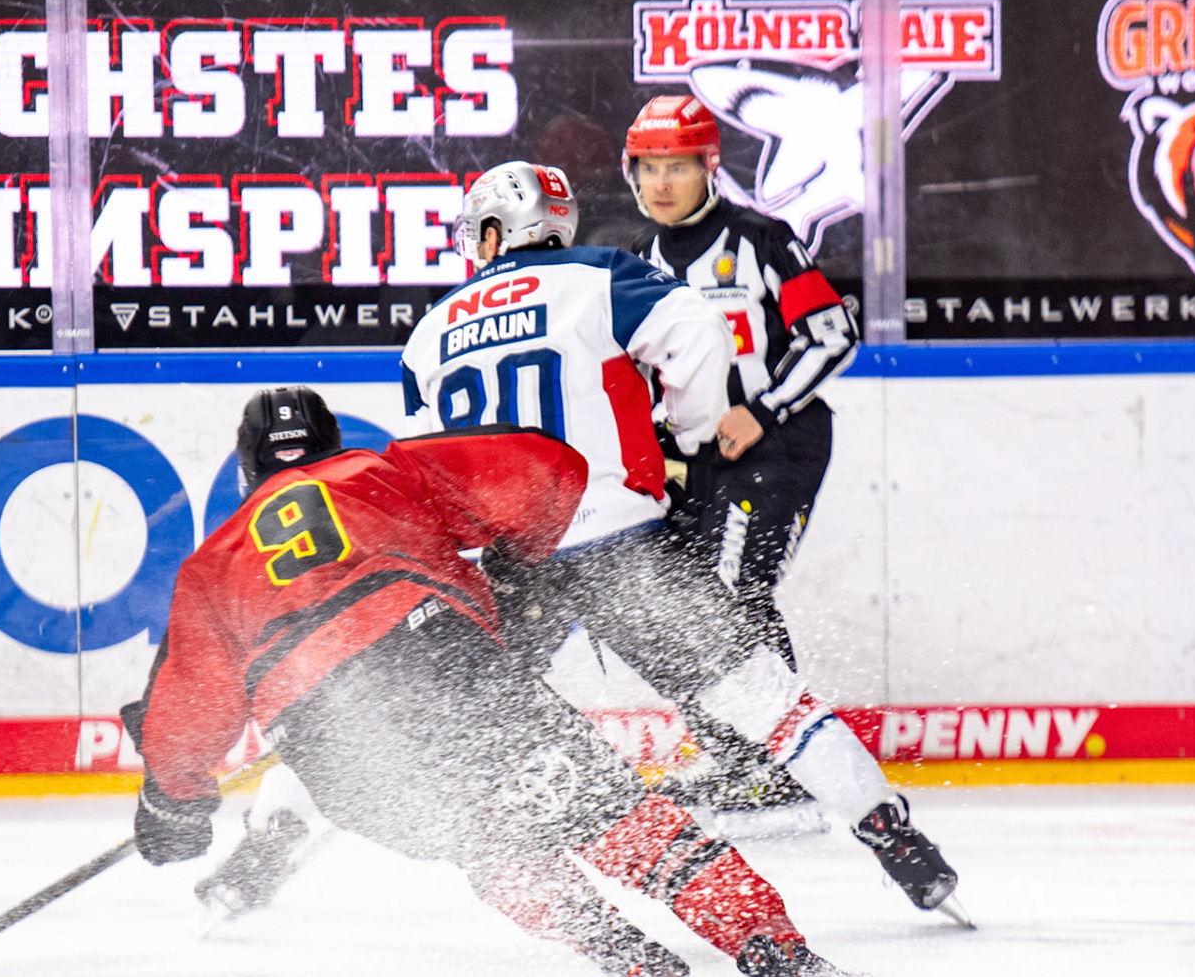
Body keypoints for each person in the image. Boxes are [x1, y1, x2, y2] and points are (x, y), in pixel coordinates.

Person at [129, 386, 858, 977]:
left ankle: (621, 954)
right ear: (330, 443)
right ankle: (787, 960)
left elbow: (184, 717)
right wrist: (518, 560)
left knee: (485, 841)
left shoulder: (211, 563)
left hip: (324, 730)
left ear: (249, 471)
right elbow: (548, 471)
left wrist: (173, 809)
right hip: (438, 658)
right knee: (613, 820)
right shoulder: (385, 468)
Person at [404, 159, 962, 922]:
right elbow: (698, 325)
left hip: (509, 564)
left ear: (498, 229)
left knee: (421, 711)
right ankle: (901, 846)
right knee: (770, 703)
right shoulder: (601, 273)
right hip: (617, 543)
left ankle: (277, 848)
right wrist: (696, 429)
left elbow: (430, 460)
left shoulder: (430, 329)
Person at [622, 95, 859, 676]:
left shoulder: (760, 239)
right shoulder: (635, 261)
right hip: (691, 463)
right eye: (647, 167)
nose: (661, 183)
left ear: (710, 167)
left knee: (733, 598)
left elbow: (832, 335)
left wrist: (764, 410)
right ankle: (753, 751)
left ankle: (784, 754)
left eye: (677, 166)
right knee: (687, 613)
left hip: (777, 444)